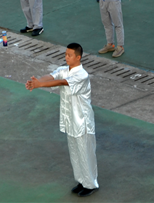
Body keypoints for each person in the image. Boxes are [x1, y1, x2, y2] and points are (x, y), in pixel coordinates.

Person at [25, 42, 99, 197]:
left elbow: (61, 82)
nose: (66, 57)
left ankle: (90, 184)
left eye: (69, 55)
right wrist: (37, 81)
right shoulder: (64, 70)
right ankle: (81, 181)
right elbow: (53, 76)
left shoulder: (82, 75)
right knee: (75, 152)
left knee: (86, 153)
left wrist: (40, 86)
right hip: (71, 120)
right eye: (65, 54)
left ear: (78, 57)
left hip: (82, 121)